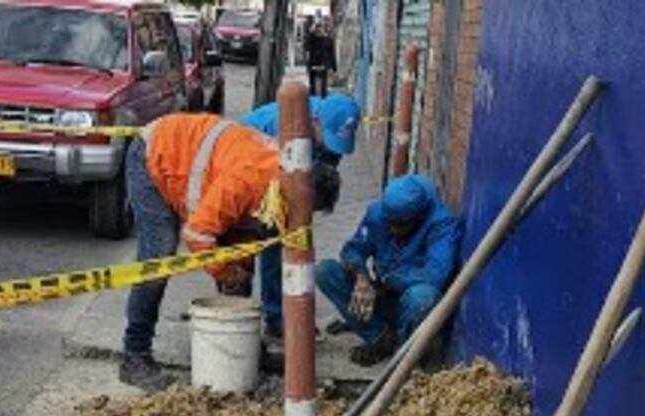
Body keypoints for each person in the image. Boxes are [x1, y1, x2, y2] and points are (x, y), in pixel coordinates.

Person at [120, 113, 340, 391]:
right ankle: (134, 355)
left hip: (199, 162)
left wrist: (239, 267)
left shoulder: (282, 183)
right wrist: (226, 273)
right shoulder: (248, 180)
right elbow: (197, 234)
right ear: (299, 193)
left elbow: (243, 227)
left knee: (242, 265)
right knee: (158, 258)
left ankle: (246, 350)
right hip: (156, 155)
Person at [241, 93, 360, 338]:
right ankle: (255, 319)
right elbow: (275, 187)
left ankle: (285, 315)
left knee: (295, 238)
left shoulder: (328, 129)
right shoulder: (283, 127)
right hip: (250, 166)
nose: (332, 150)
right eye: (328, 141)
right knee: (266, 240)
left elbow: (324, 171)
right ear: (315, 121)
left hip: (286, 167)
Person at [317, 174, 460, 366]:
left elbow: (436, 275)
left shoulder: (442, 224)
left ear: (418, 217)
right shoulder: (378, 213)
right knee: (325, 271)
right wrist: (362, 278)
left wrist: (388, 281)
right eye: (389, 223)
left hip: (408, 307)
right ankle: (379, 339)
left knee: (423, 296)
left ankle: (404, 352)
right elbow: (353, 249)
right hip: (378, 296)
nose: (392, 230)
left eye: (400, 225)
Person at [304, 18, 335, 97]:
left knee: (323, 87)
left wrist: (333, 67)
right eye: (317, 27)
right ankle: (314, 100)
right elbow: (306, 46)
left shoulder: (327, 39)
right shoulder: (311, 39)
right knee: (312, 87)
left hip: (324, 64)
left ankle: (323, 100)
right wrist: (311, 32)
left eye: (320, 27)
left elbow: (331, 53)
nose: (318, 30)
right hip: (313, 64)